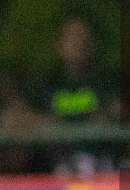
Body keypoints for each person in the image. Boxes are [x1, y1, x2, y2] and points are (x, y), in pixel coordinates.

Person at [27, 16, 119, 175]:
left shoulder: (107, 80)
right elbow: (22, 118)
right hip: (55, 167)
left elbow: (115, 114)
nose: (78, 44)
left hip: (101, 165)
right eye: (71, 38)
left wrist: (60, 122)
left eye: (83, 38)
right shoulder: (46, 83)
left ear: (93, 44)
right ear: (59, 44)